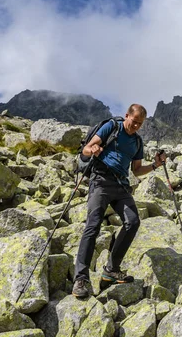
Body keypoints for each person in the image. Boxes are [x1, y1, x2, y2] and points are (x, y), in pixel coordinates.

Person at [72, 103, 167, 298]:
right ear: (126, 116)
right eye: (134, 122)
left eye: (140, 124)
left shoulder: (138, 142)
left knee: (133, 222)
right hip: (100, 181)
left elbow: (137, 170)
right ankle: (81, 278)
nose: (136, 127)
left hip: (122, 186)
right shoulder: (112, 127)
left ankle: (111, 270)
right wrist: (94, 149)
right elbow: (86, 150)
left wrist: (155, 165)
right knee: (93, 225)